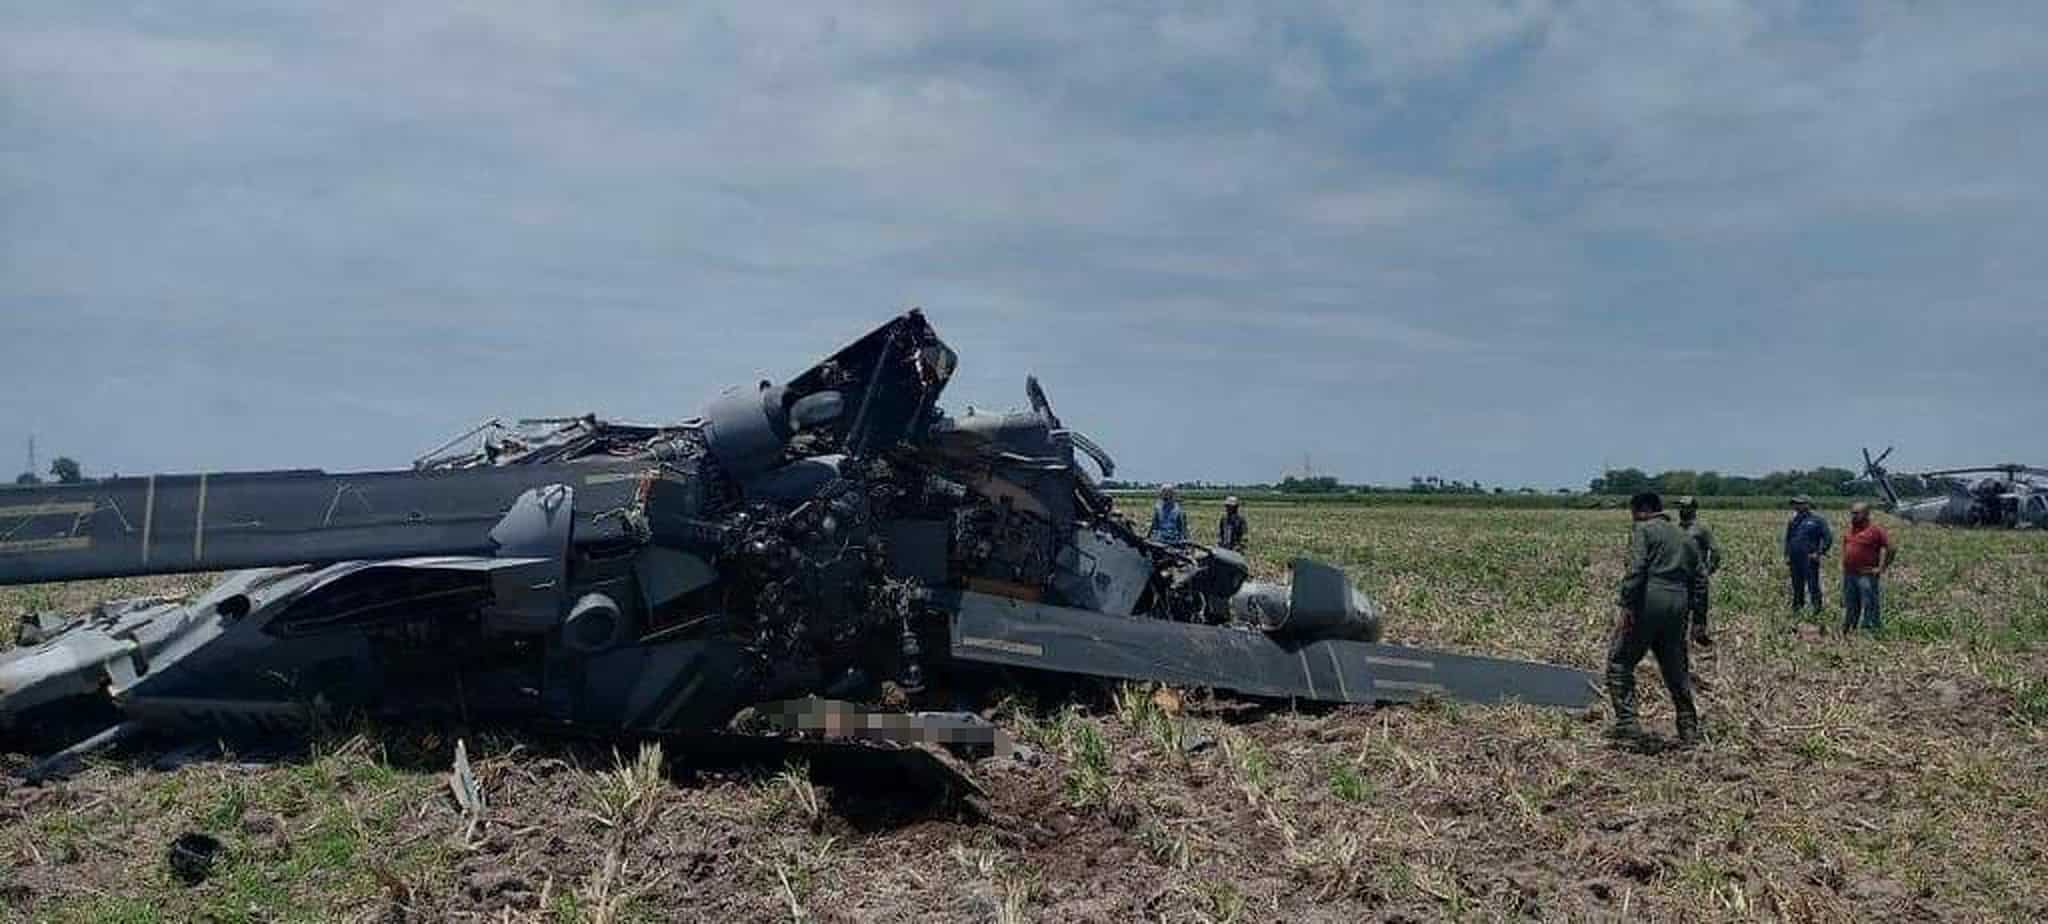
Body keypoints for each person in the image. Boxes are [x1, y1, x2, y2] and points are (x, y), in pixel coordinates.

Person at [1607, 491, 1702, 747]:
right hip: (1679, 603)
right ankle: (1688, 727)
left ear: (1642, 510)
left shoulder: (1644, 530)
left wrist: (1627, 605)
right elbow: (1700, 580)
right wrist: (1699, 620)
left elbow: (1637, 568)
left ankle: (1628, 724)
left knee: (1619, 663)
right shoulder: (1685, 536)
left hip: (1650, 598)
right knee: (1675, 668)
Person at [1841, 501, 1896, 633]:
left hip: (1866, 574)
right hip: (1849, 574)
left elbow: (1891, 548)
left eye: (1856, 513)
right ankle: (1850, 628)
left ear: (1866, 514)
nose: (1853, 516)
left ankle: (1871, 629)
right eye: (1852, 513)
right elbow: (1846, 547)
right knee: (1851, 603)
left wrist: (1882, 568)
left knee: (1869, 603)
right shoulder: (1850, 531)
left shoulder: (1875, 530)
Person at [1673, 496, 1720, 646]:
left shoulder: (1701, 529)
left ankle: (1699, 638)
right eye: (1680, 506)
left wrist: (1709, 569)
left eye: (1685, 507)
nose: (1681, 509)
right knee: (1680, 608)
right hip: (1680, 575)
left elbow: (1715, 551)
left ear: (1693, 509)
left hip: (1697, 576)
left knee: (1699, 608)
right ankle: (1679, 639)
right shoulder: (1675, 528)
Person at [1783, 495, 1833, 618]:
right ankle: (1797, 609)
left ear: (1807, 505)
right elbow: (1788, 539)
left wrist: (1819, 552)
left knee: (1813, 585)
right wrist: (1787, 554)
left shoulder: (1817, 520)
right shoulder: (1793, 521)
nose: (1796, 506)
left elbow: (1828, 538)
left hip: (1809, 558)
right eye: (1795, 503)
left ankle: (1817, 610)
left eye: (1799, 503)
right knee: (1797, 585)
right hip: (1795, 558)